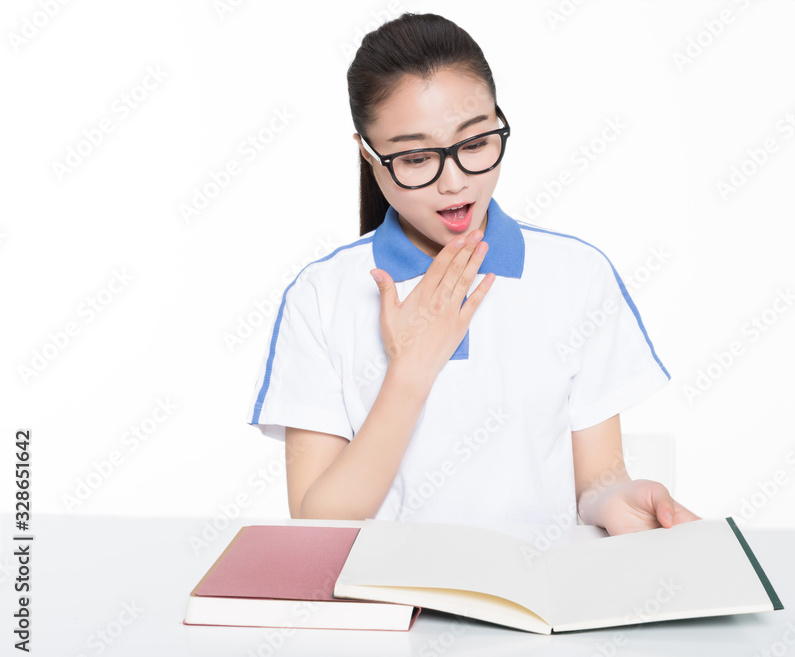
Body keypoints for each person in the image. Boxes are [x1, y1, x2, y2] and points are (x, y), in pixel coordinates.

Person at [246, 12, 700, 536]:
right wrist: (410, 371)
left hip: (535, 601)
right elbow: (316, 520)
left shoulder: (578, 275)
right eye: (416, 158)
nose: (455, 181)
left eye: (475, 143)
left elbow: (596, 479)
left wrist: (617, 499)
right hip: (390, 609)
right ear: (369, 156)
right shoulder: (321, 296)